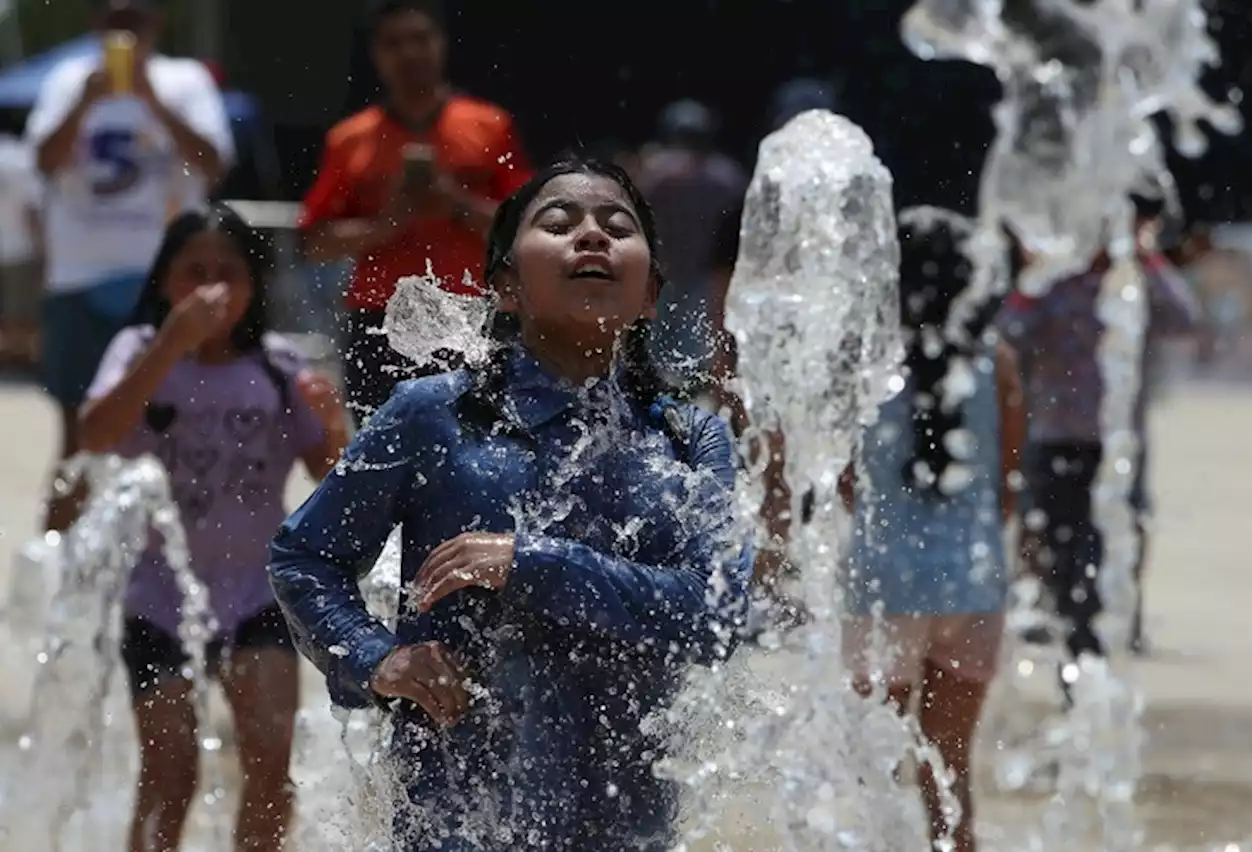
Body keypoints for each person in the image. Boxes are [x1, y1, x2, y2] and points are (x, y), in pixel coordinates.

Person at [270, 158, 753, 850]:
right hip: (457, 821)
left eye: (618, 227)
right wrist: (376, 659)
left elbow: (717, 612)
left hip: (624, 825)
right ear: (503, 288)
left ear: (650, 294)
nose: (592, 236)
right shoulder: (433, 415)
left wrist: (535, 562)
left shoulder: (688, 437)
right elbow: (304, 556)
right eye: (558, 223)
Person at [79, 204, 349, 852]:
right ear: (163, 282)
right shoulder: (138, 351)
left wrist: (335, 425)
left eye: (227, 273)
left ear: (253, 286)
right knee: (170, 773)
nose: (209, 287)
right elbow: (94, 433)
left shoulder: (279, 367)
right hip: (158, 596)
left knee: (270, 766)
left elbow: (330, 479)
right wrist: (172, 341)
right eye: (192, 271)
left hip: (258, 596)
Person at [839, 217, 1024, 852]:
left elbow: (842, 481)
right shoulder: (996, 360)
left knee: (871, 767)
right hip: (971, 581)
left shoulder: (864, 362)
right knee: (949, 770)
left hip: (881, 582)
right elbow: (1006, 485)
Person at [26, 0, 234, 532]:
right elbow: (44, 164)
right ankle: (58, 577)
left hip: (165, 281)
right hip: (78, 280)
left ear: (157, 22)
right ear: (94, 23)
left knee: (178, 432)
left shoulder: (183, 79)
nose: (124, 30)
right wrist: (85, 103)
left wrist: (151, 99)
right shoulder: (69, 78)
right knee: (77, 438)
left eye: (134, 19)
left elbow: (213, 166)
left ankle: (166, 575)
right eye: (113, 19)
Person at [298, 0, 533, 424]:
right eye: (394, 43)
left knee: (484, 458)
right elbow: (314, 244)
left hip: (472, 315)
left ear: (441, 44)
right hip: (380, 323)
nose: (409, 53)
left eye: (420, 39)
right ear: (376, 54)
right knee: (384, 464)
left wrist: (455, 202)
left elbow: (527, 226)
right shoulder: (349, 139)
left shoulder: (489, 126)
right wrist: (390, 220)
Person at [997, 195, 1201, 671]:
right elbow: (1008, 330)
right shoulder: (1056, 283)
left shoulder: (1134, 286)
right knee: (1052, 533)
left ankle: (1118, 615)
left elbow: (1185, 317)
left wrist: (1146, 256)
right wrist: (1033, 275)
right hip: (1054, 436)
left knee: (1125, 526)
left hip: (1117, 440)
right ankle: (1057, 609)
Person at [634, 100, 747, 391]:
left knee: (659, 343)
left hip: (665, 269)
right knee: (701, 343)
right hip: (709, 273)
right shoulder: (727, 177)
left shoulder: (657, 172)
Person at [0, 134, 42, 370]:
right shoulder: (20, 158)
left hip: (14, 247)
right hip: (19, 249)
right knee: (22, 311)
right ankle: (20, 357)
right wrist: (42, 249)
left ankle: (12, 356)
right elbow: (31, 208)